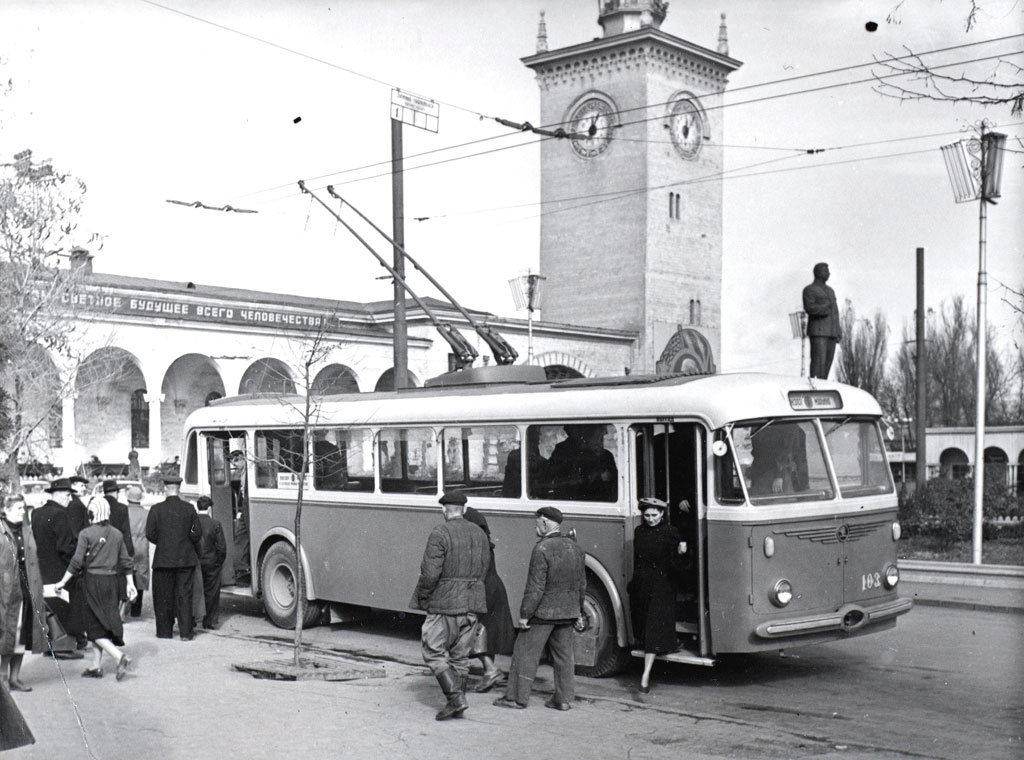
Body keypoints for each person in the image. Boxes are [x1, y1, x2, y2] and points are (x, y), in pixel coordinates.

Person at [494, 506, 586, 711]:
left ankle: (516, 698)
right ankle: (563, 700)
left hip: (543, 613)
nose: (535, 525)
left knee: (524, 652)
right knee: (564, 656)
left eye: (537, 521)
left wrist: (525, 615)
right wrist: (578, 611)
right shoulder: (575, 548)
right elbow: (582, 584)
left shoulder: (542, 549)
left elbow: (535, 587)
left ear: (544, 522)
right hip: (568, 611)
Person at [410, 491, 490, 721]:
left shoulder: (440, 532)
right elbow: (484, 568)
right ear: (463, 510)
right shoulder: (479, 533)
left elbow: (429, 573)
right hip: (473, 602)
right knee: (460, 656)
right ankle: (456, 702)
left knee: (432, 650)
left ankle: (456, 699)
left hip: (445, 603)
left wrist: (424, 597)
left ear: (444, 510)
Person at [54, 495, 137, 681]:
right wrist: (131, 584)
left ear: (91, 513)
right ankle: (96, 666)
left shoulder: (86, 534)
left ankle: (119, 657)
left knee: (92, 627)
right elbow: (126, 562)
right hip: (112, 582)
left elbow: (76, 562)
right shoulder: (117, 534)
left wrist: (62, 582)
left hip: (93, 582)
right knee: (101, 624)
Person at [629, 497, 685, 694]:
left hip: (663, 585)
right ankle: (665, 647)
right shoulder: (639, 532)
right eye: (646, 515)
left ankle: (645, 676)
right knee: (651, 625)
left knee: (652, 627)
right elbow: (638, 561)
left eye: (654, 515)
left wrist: (681, 553)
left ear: (662, 514)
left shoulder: (671, 532)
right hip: (644, 584)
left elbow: (676, 565)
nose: (650, 519)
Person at [462, 505, 515, 693]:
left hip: (484, 589)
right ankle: (488, 671)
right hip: (494, 588)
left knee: (471, 629)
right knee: (487, 631)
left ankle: (491, 670)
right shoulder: (485, 542)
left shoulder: (475, 545)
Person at [29, 478, 83, 659]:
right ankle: (63, 647)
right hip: (60, 568)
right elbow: (65, 546)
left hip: (42, 567)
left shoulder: (36, 513)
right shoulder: (61, 514)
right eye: (67, 495)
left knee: (48, 607)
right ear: (58, 494)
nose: (69, 500)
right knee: (64, 607)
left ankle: (49, 644)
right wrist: (75, 564)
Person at [145, 475, 201, 640]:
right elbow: (197, 533)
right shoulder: (189, 509)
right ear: (179, 489)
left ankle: (164, 632)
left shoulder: (156, 509)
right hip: (185, 559)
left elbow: (150, 534)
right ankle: (185, 633)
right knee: (184, 596)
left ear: (165, 489)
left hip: (163, 559)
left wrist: (163, 542)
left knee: (163, 596)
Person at [1, 495, 46, 691]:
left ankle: (14, 678)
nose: (23, 511)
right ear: (7, 509)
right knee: (7, 634)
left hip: (27, 590)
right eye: (19, 507)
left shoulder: (27, 531)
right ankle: (2, 678)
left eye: (24, 507)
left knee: (22, 634)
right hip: (6, 591)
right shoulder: (2, 531)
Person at [543, 424, 617, 501]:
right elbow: (552, 477)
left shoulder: (606, 456)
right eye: (599, 432)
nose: (602, 435)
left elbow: (615, 486)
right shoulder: (563, 450)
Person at [802, 262, 842, 380]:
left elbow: (835, 312)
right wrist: (825, 308)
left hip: (831, 332)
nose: (828, 273)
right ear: (818, 273)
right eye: (826, 271)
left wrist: (837, 330)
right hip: (818, 331)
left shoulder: (830, 291)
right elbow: (809, 308)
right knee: (818, 363)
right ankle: (815, 387)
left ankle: (823, 387)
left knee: (827, 365)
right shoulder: (809, 289)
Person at [749, 424, 809, 496]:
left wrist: (779, 475)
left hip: (779, 477)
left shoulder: (791, 427)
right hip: (762, 474)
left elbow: (788, 452)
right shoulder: (759, 425)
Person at [195, 496, 226, 630]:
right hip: (212, 562)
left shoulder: (193, 524)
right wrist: (218, 561)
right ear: (209, 508)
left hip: (196, 562)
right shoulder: (215, 524)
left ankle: (193, 618)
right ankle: (209, 622)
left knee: (196, 590)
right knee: (212, 592)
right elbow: (221, 547)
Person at [124, 485, 150, 619]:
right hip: (142, 546)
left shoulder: (124, 512)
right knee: (140, 576)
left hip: (127, 546)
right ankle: (136, 610)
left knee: (127, 575)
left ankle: (125, 607)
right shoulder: (146, 513)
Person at [229, 449, 251, 584]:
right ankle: (241, 569)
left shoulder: (250, 473)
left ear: (243, 458)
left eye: (236, 461)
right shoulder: (242, 474)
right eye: (233, 462)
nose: (235, 465)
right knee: (240, 536)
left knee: (247, 535)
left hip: (248, 506)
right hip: (244, 508)